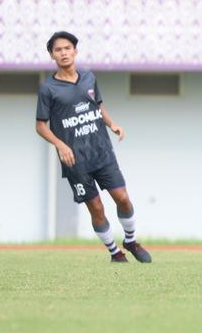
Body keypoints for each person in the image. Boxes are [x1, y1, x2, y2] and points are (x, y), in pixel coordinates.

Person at [35, 31, 151, 263]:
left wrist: (112, 124)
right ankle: (114, 253)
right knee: (96, 207)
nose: (63, 53)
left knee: (123, 198)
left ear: (75, 51)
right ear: (52, 56)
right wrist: (60, 145)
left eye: (67, 48)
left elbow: (98, 107)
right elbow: (40, 126)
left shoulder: (88, 78)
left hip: (102, 152)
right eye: (58, 50)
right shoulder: (48, 89)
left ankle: (130, 240)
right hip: (76, 161)